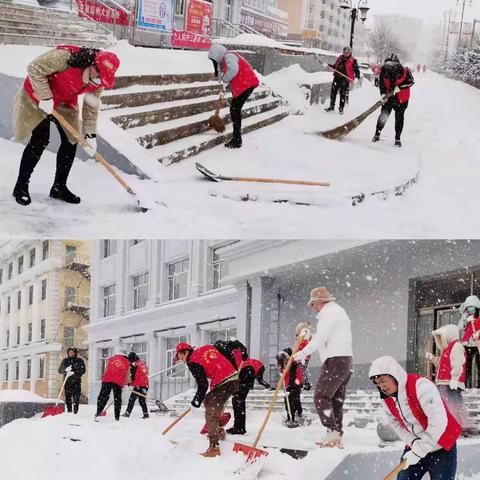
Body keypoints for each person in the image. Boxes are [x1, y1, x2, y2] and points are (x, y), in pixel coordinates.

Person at [12, 45, 120, 206]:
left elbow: (91, 106)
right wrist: (46, 97)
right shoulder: (65, 57)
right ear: (92, 65)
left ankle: (59, 187)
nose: (99, 81)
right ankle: (20, 186)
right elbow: (34, 68)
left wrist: (90, 135)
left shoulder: (99, 80)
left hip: (64, 102)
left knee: (72, 140)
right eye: (98, 76)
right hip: (37, 95)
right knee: (40, 139)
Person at [369, 356, 461, 480]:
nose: (382, 386)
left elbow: (438, 420)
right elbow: (396, 424)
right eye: (378, 383)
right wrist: (413, 442)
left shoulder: (421, 385)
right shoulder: (386, 400)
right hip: (415, 448)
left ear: (394, 375)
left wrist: (421, 449)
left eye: (383, 380)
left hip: (442, 446)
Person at [294, 287, 353, 448]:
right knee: (335, 399)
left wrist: (303, 352)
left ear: (320, 302)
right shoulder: (337, 312)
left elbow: (321, 338)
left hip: (335, 360)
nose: (313, 308)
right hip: (344, 359)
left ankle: (332, 432)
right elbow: (325, 338)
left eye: (313, 304)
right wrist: (309, 337)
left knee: (321, 396)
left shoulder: (330, 314)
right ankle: (335, 434)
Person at [174, 342, 239, 457]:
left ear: (187, 352)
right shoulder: (206, 348)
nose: (182, 360)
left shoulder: (193, 361)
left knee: (211, 412)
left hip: (224, 381)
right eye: (179, 358)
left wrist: (195, 402)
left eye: (182, 356)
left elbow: (203, 384)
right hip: (231, 377)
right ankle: (218, 429)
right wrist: (233, 368)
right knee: (208, 400)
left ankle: (214, 447)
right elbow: (225, 350)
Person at [208, 43, 260, 149]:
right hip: (244, 85)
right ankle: (237, 138)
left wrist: (224, 81)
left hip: (246, 84)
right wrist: (225, 86)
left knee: (234, 110)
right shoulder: (226, 58)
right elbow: (228, 73)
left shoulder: (229, 56)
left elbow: (233, 70)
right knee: (234, 110)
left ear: (218, 54)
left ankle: (237, 140)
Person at [428, 324, 471, 431]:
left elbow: (458, 363)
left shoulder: (456, 346)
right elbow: (443, 366)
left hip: (449, 383)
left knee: (450, 405)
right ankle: (451, 425)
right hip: (445, 383)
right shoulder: (448, 349)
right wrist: (434, 359)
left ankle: (453, 426)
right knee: (449, 405)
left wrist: (455, 379)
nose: (442, 340)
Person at [372, 54, 414, 147]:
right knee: (384, 115)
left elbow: (411, 82)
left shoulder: (405, 71)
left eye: (393, 66)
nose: (390, 68)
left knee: (399, 118)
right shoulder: (384, 70)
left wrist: (398, 88)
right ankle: (377, 133)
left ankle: (397, 138)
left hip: (401, 98)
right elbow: (382, 84)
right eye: (388, 65)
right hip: (389, 97)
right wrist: (383, 94)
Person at [227, 355, 271, 435]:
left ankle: (240, 428)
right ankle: (238, 426)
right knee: (236, 400)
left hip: (249, 371)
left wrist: (267, 386)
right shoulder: (236, 363)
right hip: (247, 372)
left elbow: (259, 379)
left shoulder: (249, 366)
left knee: (239, 400)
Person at [95, 351, 131, 421]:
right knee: (117, 399)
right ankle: (117, 417)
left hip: (107, 379)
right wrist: (125, 383)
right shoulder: (127, 362)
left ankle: (98, 412)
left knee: (103, 397)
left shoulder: (111, 359)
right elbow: (127, 376)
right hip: (118, 382)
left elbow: (106, 369)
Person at [324, 46, 360, 115]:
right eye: (345, 52)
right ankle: (331, 107)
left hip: (345, 79)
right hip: (337, 78)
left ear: (350, 52)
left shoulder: (353, 60)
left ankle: (341, 109)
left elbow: (357, 71)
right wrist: (328, 65)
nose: (346, 53)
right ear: (343, 52)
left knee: (342, 95)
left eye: (348, 52)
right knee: (333, 93)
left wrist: (357, 78)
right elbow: (335, 67)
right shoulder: (340, 58)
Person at [277, 348, 303, 428]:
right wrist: (278, 385)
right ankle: (294, 415)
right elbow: (283, 377)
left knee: (292, 400)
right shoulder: (283, 365)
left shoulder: (293, 363)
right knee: (290, 401)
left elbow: (293, 375)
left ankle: (294, 416)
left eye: (284, 357)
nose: (283, 360)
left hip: (295, 384)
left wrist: (291, 386)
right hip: (289, 385)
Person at [459, 295, 480, 388]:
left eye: (472, 307)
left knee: (479, 364)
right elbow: (460, 327)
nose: (470, 309)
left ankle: (479, 385)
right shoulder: (465, 315)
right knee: (467, 365)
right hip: (467, 344)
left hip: (478, 343)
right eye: (469, 307)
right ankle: (467, 385)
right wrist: (466, 321)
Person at [58, 347, 86, 414]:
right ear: (68, 353)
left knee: (76, 397)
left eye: (72, 352)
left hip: (76, 381)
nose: (71, 353)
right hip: (67, 382)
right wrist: (65, 370)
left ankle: (75, 411)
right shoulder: (65, 360)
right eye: (69, 352)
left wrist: (74, 372)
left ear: (75, 353)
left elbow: (83, 370)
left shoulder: (79, 360)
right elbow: (60, 370)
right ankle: (69, 411)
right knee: (68, 397)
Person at [122, 352, 149, 419]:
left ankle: (127, 413)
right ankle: (146, 414)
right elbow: (145, 372)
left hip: (139, 385)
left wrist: (128, 383)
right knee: (142, 400)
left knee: (132, 399)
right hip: (145, 384)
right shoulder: (142, 363)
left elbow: (132, 376)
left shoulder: (134, 364)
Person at [296, 322, 312, 390]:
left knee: (301, 370)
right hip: (301, 356)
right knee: (301, 370)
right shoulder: (300, 339)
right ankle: (305, 384)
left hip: (304, 357)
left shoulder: (305, 339)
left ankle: (306, 384)